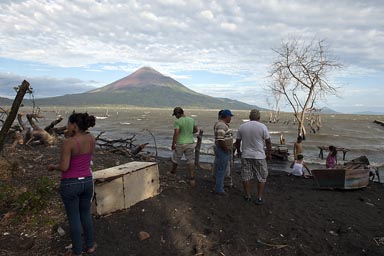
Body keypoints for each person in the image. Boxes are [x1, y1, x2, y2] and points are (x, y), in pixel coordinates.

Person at [47, 112, 97, 256]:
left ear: (74, 125)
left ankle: (77, 251)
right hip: (87, 182)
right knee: (85, 214)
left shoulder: (69, 142)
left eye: (68, 124)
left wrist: (53, 167)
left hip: (71, 184)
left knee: (74, 217)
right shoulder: (91, 138)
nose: (66, 127)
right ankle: (90, 246)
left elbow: (64, 167)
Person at [235, 109, 272, 205]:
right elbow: (268, 142)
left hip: (246, 155)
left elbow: (238, 141)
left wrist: (238, 151)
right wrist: (269, 153)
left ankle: (247, 195)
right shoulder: (262, 127)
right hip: (259, 156)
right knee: (262, 177)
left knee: (246, 175)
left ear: (249, 117)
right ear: (259, 117)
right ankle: (259, 197)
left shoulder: (242, 127)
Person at [170, 107, 198, 186]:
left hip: (180, 143)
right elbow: (196, 130)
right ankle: (192, 178)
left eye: (175, 115)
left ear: (178, 114)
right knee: (190, 160)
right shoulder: (191, 120)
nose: (175, 116)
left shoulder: (178, 121)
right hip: (190, 143)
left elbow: (176, 133)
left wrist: (173, 143)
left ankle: (173, 172)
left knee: (176, 159)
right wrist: (189, 133)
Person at [213, 109, 234, 195]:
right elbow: (220, 139)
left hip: (222, 149)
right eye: (230, 116)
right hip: (222, 150)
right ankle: (219, 189)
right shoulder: (221, 126)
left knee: (221, 169)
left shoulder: (222, 124)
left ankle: (219, 186)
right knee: (221, 170)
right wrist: (226, 149)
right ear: (226, 116)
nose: (231, 118)